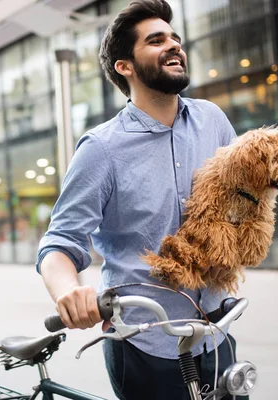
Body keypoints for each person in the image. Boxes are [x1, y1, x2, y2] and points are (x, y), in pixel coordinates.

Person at [36, 1, 248, 399]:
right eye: (156, 40)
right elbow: (59, 242)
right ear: (124, 66)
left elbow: (241, 201)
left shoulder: (213, 120)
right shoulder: (102, 149)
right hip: (146, 341)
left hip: (217, 332)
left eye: (175, 38)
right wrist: (70, 291)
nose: (173, 45)